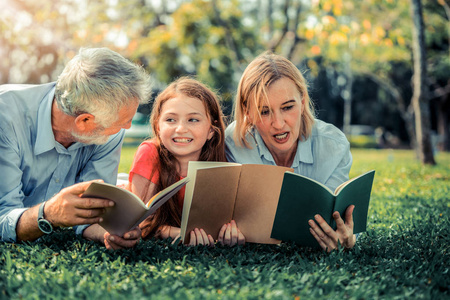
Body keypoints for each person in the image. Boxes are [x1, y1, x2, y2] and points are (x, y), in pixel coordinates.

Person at [0, 47, 152, 250]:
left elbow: (93, 210)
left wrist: (107, 232)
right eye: (123, 121)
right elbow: (3, 219)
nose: (127, 127)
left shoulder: (109, 132)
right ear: (85, 121)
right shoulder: (6, 118)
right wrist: (48, 214)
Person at [225, 52, 355, 252]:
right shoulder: (233, 143)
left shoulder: (334, 146)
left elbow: (338, 218)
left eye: (287, 107)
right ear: (248, 112)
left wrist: (345, 236)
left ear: (303, 101)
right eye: (264, 112)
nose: (278, 124)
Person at [127, 77, 245, 246]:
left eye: (193, 120)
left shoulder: (220, 162)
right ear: (158, 127)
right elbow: (139, 223)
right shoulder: (149, 153)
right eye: (170, 120)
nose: (181, 128)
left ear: (211, 130)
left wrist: (230, 234)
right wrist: (183, 235)